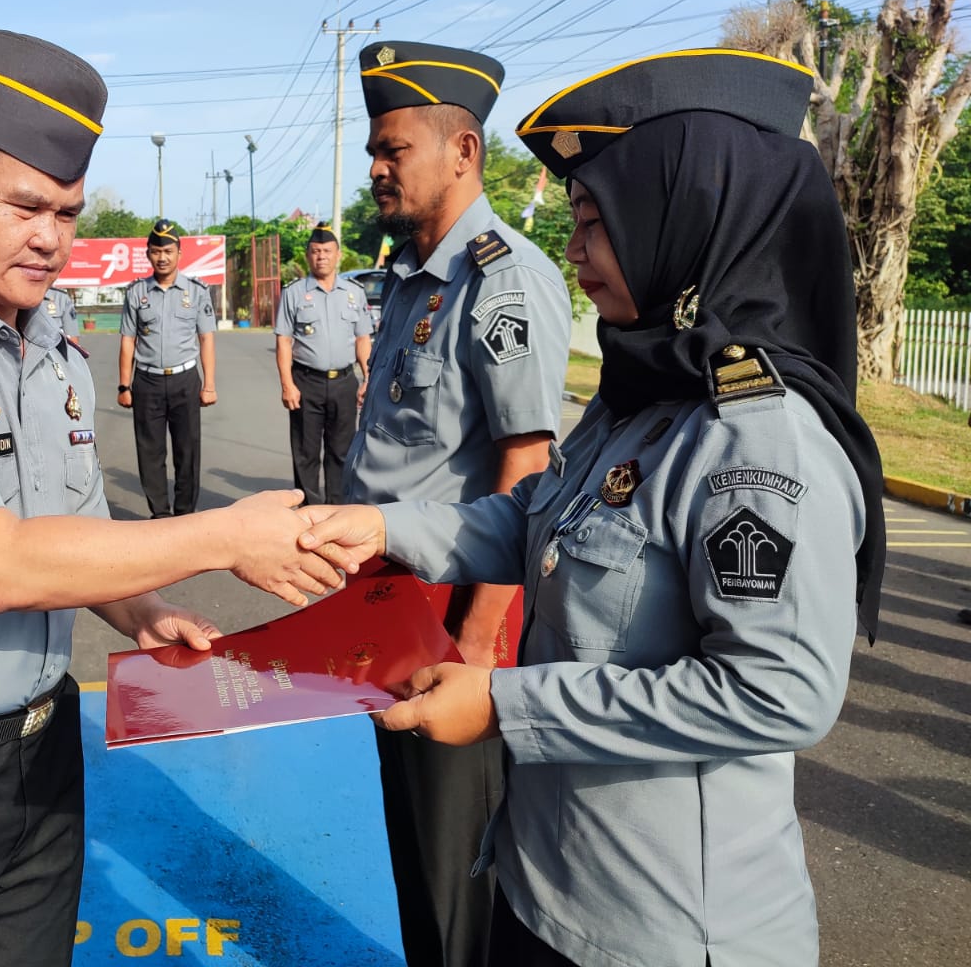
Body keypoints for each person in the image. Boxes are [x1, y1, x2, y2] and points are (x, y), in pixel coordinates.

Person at [299, 48, 885, 967]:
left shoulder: (758, 435)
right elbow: (537, 513)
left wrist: (504, 701)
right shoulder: (644, 387)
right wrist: (382, 528)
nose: (573, 253)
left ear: (679, 219)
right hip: (545, 885)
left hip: (655, 931)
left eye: (594, 221)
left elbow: (780, 692)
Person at [0, 30, 345, 967]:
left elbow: (78, 534)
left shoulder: (56, 353)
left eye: (69, 213)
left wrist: (144, 611)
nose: (51, 236)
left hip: (42, 765)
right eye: (25, 206)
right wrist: (224, 537)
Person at [346, 40, 573, 967]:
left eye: (393, 148)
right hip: (391, 607)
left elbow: (529, 459)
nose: (375, 167)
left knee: (458, 880)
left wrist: (477, 644)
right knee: (411, 850)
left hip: (455, 617)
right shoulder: (412, 276)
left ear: (463, 150)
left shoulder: (501, 279)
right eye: (375, 149)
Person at [117, 220, 217, 517]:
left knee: (188, 451)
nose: (162, 257)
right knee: (150, 452)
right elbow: (127, 341)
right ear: (148, 254)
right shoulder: (136, 292)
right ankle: (159, 515)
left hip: (185, 379)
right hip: (146, 381)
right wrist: (124, 385)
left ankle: (184, 514)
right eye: (156, 251)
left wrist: (208, 384)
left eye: (168, 251)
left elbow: (206, 338)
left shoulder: (197, 291)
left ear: (179, 253)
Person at [275, 221, 373, 504]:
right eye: (316, 251)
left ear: (338, 254)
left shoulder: (354, 293)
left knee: (341, 451)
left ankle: (336, 509)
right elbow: (283, 341)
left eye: (327, 251)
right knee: (305, 452)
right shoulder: (293, 293)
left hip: (344, 382)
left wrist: (367, 378)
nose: (322, 256)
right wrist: (287, 385)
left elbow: (362, 339)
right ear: (308, 255)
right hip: (306, 382)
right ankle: (309, 511)